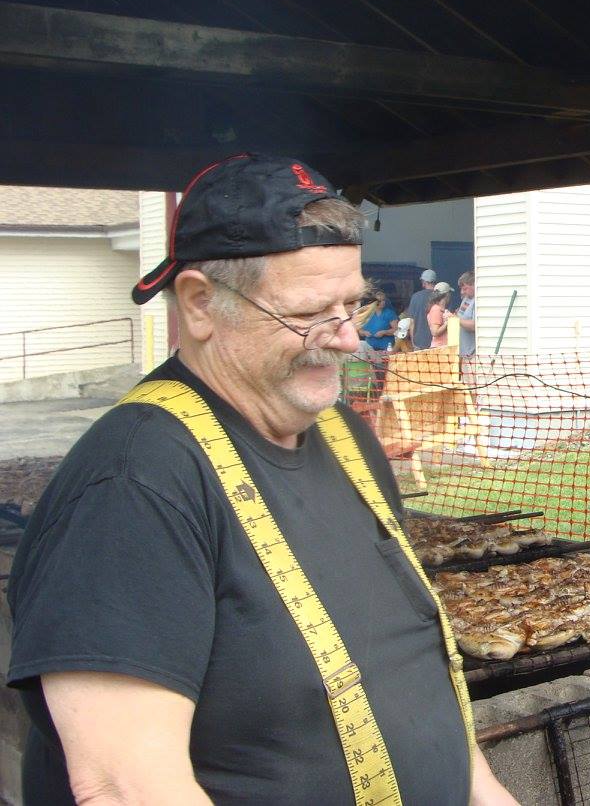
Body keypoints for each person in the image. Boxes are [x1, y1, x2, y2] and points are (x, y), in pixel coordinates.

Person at [5, 154, 516, 806]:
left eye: (352, 304)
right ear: (199, 305)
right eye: (309, 314)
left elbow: (409, 664)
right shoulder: (134, 486)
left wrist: (484, 791)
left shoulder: (344, 436)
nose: (349, 341)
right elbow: (125, 785)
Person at [407, 268, 438, 350]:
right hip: (437, 342)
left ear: (424, 282)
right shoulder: (441, 296)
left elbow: (412, 322)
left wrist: (413, 342)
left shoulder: (415, 297)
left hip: (419, 342)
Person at [427, 281, 454, 348]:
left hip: (443, 347)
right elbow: (435, 332)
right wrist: (447, 322)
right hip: (439, 348)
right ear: (447, 295)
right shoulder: (436, 309)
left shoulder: (440, 309)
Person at [457, 271, 476, 357]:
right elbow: (461, 317)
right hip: (462, 351)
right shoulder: (466, 299)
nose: (461, 292)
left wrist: (455, 319)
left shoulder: (477, 301)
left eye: (465, 288)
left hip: (471, 353)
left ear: (474, 285)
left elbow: (474, 325)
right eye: (461, 289)